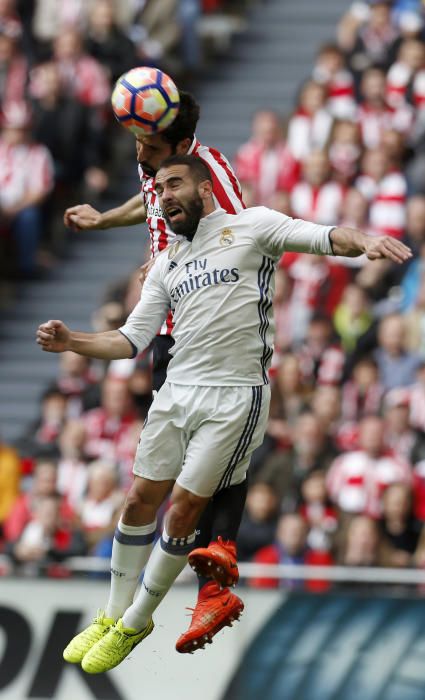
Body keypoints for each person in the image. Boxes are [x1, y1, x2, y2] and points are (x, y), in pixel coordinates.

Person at [37, 154, 412, 673]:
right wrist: (72, 341)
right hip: (175, 394)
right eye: (160, 189)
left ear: (206, 189)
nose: (164, 195)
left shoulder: (253, 226)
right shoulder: (167, 262)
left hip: (234, 396)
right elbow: (130, 339)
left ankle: (134, 622)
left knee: (185, 509)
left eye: (175, 184)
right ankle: (111, 612)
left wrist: (365, 242)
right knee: (137, 499)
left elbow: (326, 235)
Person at [63, 90, 248, 654]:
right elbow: (146, 204)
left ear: (174, 142)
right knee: (158, 480)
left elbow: (241, 241)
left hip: (208, 332)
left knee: (210, 455)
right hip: (166, 330)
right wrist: (104, 221)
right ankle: (125, 612)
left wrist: (177, 257)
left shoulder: (209, 173)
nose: (137, 152)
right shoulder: (159, 172)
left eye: (145, 142)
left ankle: (217, 573)